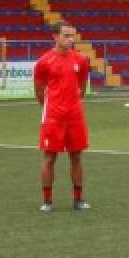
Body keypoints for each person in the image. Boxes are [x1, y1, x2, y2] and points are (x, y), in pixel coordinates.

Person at [33, 21, 91, 212]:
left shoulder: (81, 60)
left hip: (74, 116)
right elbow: (39, 90)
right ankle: (47, 201)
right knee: (49, 158)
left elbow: (82, 86)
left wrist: (72, 103)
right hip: (53, 117)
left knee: (77, 157)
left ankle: (78, 199)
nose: (70, 39)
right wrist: (51, 108)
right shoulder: (44, 61)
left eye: (72, 36)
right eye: (66, 36)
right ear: (55, 37)